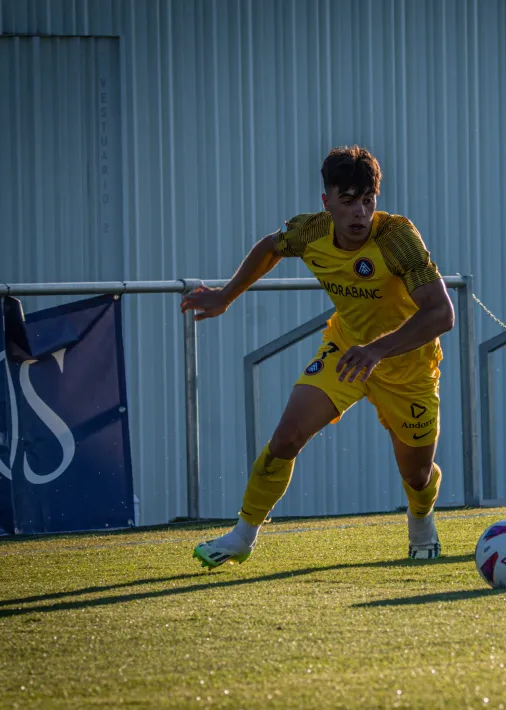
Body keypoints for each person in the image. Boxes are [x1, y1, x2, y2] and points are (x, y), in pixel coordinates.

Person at [183, 146, 455, 567]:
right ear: (326, 203)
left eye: (367, 200)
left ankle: (420, 519)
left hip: (408, 365)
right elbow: (271, 247)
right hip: (347, 352)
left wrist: (378, 350)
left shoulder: (397, 237)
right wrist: (225, 295)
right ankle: (243, 535)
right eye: (347, 202)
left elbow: (441, 313)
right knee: (287, 436)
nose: (359, 212)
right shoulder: (311, 231)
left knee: (416, 474)